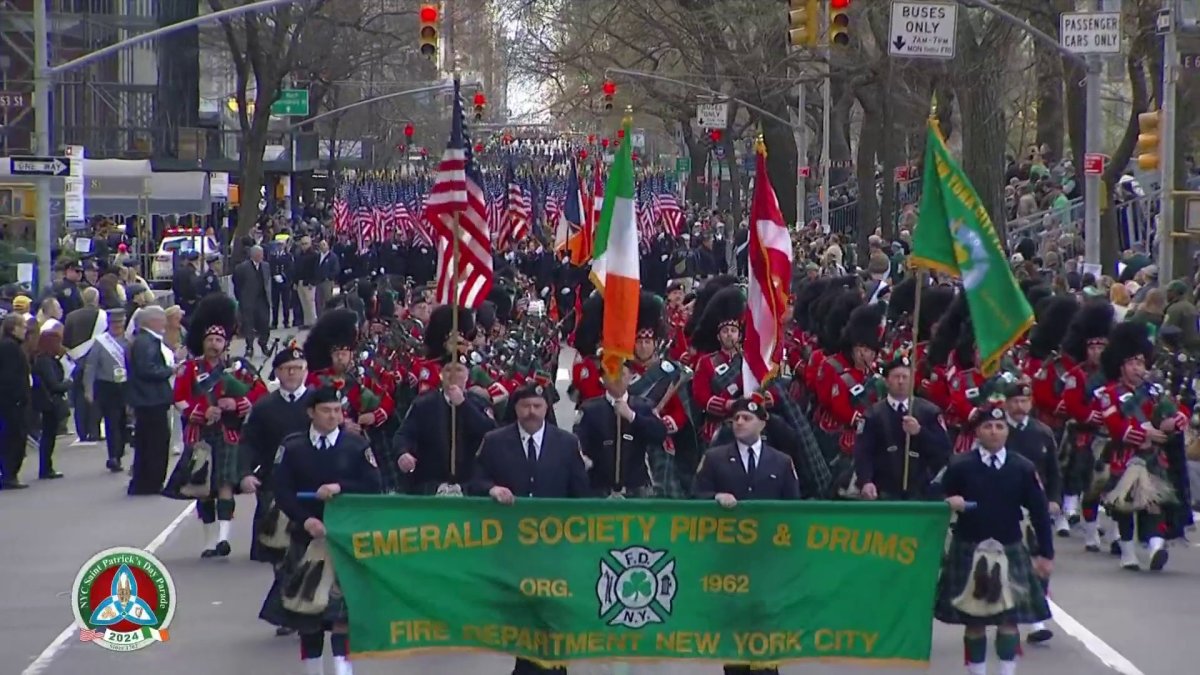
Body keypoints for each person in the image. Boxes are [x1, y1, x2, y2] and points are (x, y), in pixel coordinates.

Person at [469, 383, 589, 675]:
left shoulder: (566, 443)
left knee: (551, 610)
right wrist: (492, 489)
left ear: (546, 408)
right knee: (522, 612)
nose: (531, 412)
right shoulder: (494, 441)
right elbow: (474, 482)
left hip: (554, 546)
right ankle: (525, 665)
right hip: (512, 544)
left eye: (537, 406)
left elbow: (580, 494)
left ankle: (554, 664)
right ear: (516, 409)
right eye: (525, 406)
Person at [260, 386, 382, 675]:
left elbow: (373, 485)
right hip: (306, 537)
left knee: (342, 618)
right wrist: (305, 521)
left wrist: (340, 488)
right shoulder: (292, 447)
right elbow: (282, 489)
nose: (333, 416)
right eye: (326, 411)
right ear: (310, 413)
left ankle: (343, 671)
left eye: (337, 411)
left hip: (343, 539)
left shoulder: (356, 445)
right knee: (307, 618)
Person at [934, 397, 1054, 675]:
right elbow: (934, 494)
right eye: (988, 426)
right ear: (977, 432)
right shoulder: (960, 465)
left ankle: (1006, 672)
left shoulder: (1022, 467)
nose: (994, 431)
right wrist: (948, 501)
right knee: (975, 622)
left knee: (1008, 620)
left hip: (1009, 547)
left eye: (1000, 426)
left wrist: (1046, 553)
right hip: (969, 546)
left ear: (1007, 431)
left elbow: (1039, 512)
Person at [691, 397, 800, 675]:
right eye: (736, 418)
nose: (740, 422)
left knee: (767, 622)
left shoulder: (781, 461)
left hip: (768, 557)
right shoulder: (715, 458)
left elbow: (793, 509)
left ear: (762, 423)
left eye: (747, 418)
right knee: (736, 627)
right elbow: (695, 496)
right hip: (731, 560)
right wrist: (715, 496)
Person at [165, 293, 268, 557]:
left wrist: (240, 403)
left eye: (219, 340)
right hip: (199, 433)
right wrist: (200, 411)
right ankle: (209, 540)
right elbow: (178, 399)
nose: (214, 344)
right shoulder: (190, 369)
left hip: (228, 433)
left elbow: (261, 393)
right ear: (203, 341)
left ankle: (224, 538)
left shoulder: (237, 369)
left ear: (226, 343)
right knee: (203, 489)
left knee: (224, 483)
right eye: (210, 339)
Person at [852, 353, 951, 500]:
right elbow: (863, 452)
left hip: (921, 492)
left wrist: (920, 432)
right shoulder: (873, 414)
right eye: (896, 377)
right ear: (887, 381)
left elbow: (944, 450)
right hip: (884, 491)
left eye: (905, 377)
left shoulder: (929, 412)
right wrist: (866, 481)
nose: (901, 381)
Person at [393, 358, 496, 495]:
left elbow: (490, 432)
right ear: (441, 375)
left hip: (470, 484)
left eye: (458, 370)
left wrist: (463, 405)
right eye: (448, 370)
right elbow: (404, 434)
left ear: (467, 376)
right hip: (430, 483)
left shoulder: (479, 403)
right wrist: (403, 453)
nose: (453, 374)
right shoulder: (423, 403)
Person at [575, 361, 667, 497]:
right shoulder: (590, 409)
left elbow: (659, 434)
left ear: (631, 376)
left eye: (622, 374)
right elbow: (578, 441)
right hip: (599, 488)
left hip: (635, 488)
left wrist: (632, 417)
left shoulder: (643, 406)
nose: (618, 378)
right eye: (612, 374)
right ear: (603, 378)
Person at [125, 306, 175, 496]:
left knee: (148, 442)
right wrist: (170, 370)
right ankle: (151, 481)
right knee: (155, 443)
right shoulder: (146, 342)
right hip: (151, 398)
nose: (165, 323)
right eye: (162, 319)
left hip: (147, 399)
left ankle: (145, 481)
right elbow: (147, 369)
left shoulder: (144, 341)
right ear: (152, 321)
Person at [83, 308, 130, 473]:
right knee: (112, 423)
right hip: (107, 387)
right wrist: (88, 389)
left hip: (126, 386)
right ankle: (113, 457)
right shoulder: (101, 342)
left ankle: (119, 451)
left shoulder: (129, 341)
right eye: (113, 323)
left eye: (119, 322)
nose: (117, 326)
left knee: (124, 423)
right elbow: (90, 367)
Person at [31, 322, 69, 479]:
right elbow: (53, 384)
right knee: (48, 436)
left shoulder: (46, 359)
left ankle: (47, 466)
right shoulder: (45, 361)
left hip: (48, 401)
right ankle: (45, 467)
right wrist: (67, 383)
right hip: (49, 403)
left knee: (49, 435)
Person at [0, 313, 32, 488]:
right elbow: (11, 376)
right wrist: (19, 397)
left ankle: (8, 473)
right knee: (14, 437)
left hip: (11, 400)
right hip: (13, 402)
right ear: (14, 328)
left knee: (11, 437)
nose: (25, 331)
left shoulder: (10, 346)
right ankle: (9, 474)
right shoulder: (10, 348)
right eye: (23, 327)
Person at [233, 245, 271, 357]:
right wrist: (241, 297)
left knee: (264, 322)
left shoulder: (266, 266)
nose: (261, 257)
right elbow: (237, 283)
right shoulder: (242, 268)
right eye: (259, 255)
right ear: (253, 255)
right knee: (249, 324)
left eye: (262, 255)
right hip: (248, 300)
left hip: (262, 299)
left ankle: (263, 343)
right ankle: (249, 346)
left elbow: (267, 281)